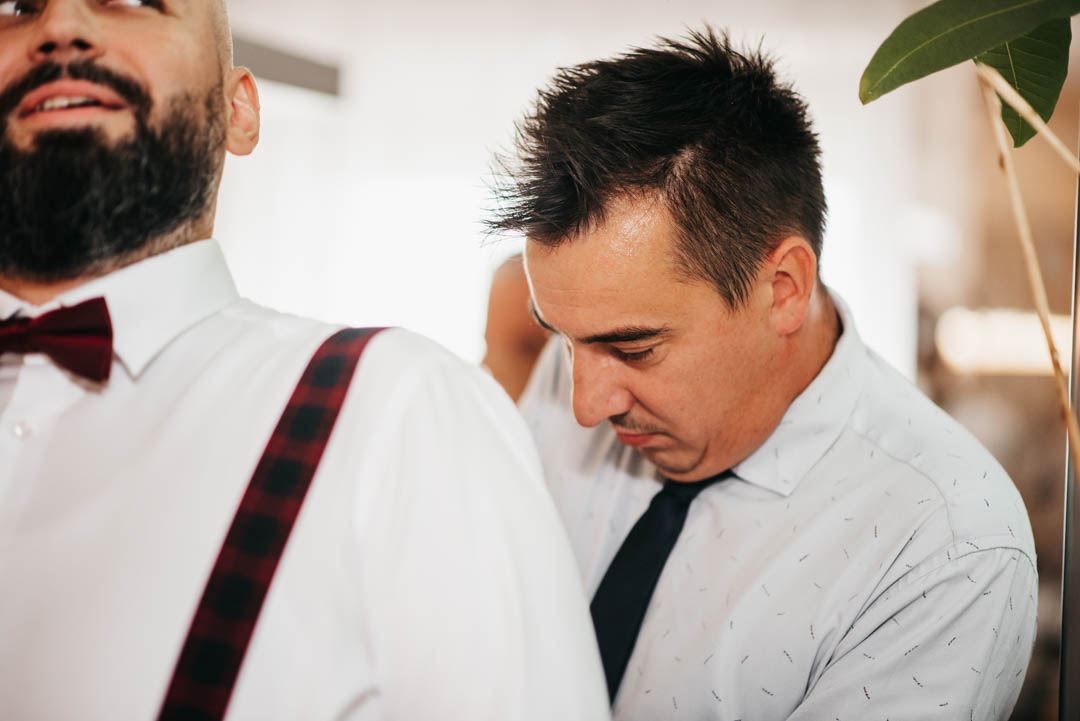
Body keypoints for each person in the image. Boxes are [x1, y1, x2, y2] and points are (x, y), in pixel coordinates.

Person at [0, 1, 610, 719]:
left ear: (239, 111)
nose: (58, 27)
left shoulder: (403, 414)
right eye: (15, 6)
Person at [488, 28, 1037, 720]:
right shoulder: (588, 358)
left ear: (782, 289)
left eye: (636, 349)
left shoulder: (945, 546)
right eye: (561, 340)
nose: (585, 406)